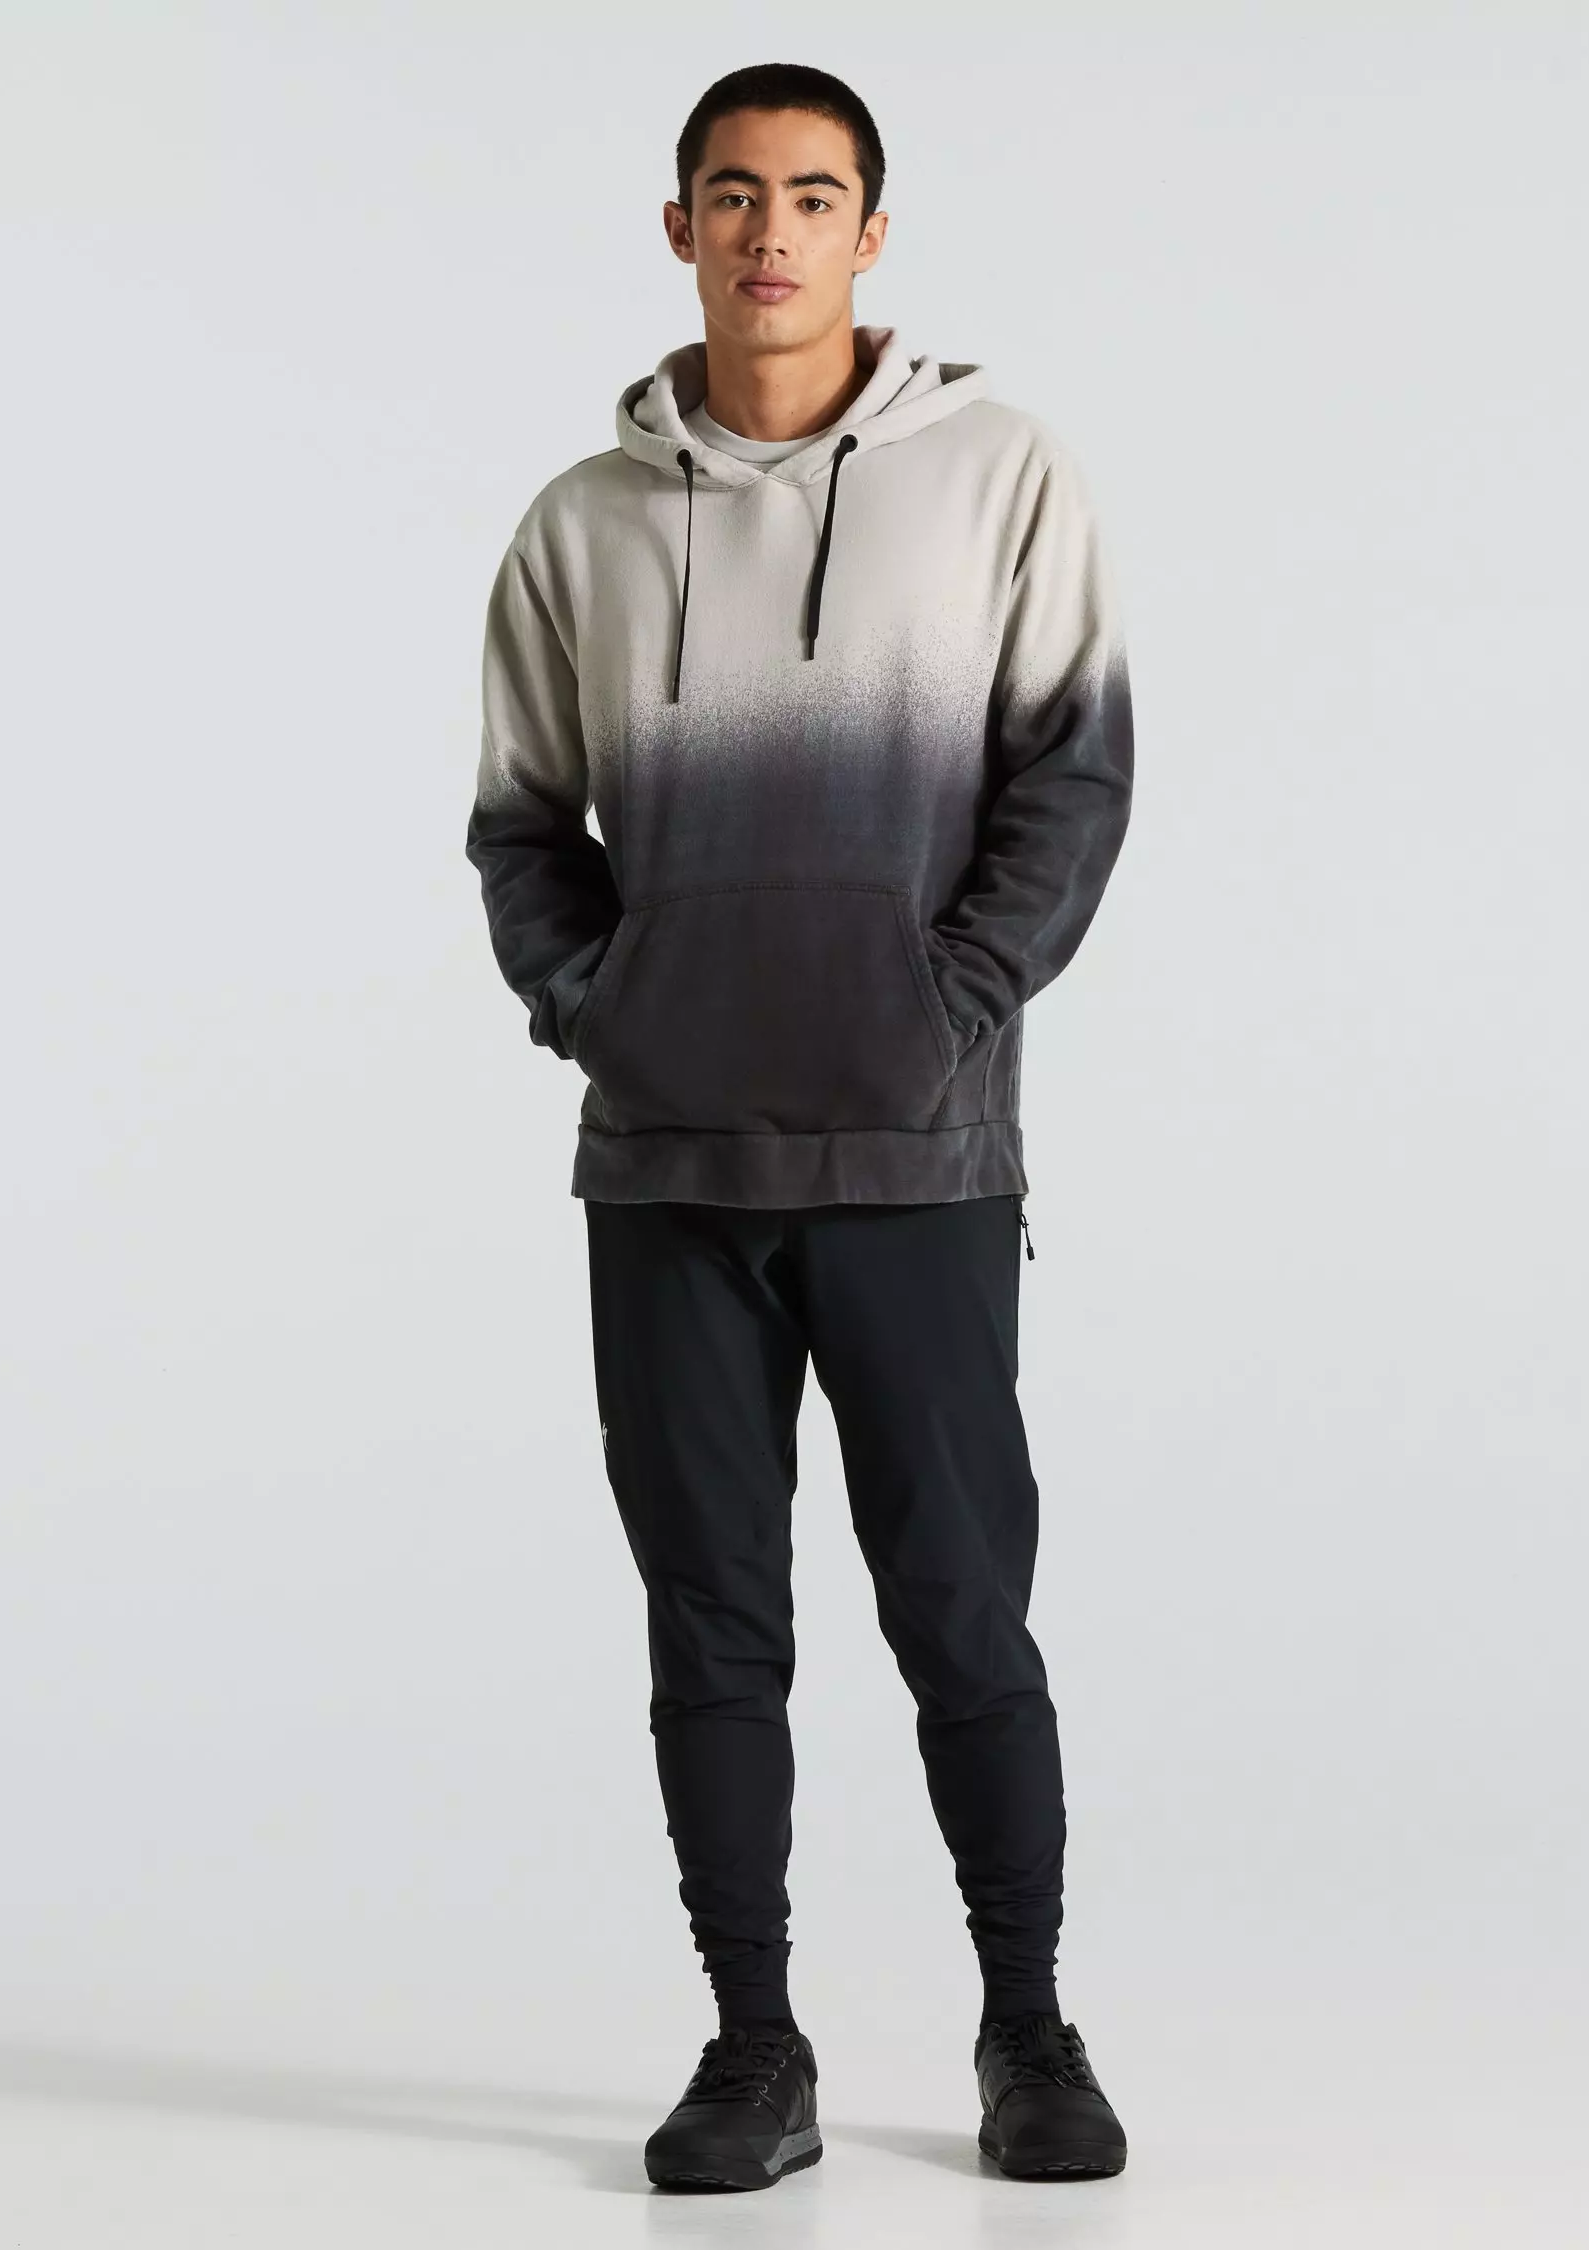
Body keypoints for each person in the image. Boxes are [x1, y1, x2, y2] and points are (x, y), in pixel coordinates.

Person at [461, 63, 1140, 2191]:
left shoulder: (996, 477)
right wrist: (604, 1011)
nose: (772, 232)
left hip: (917, 1162)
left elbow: (1074, 779)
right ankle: (752, 2044)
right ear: (680, 226)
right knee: (710, 1626)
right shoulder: (580, 527)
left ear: (871, 233)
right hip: (669, 1170)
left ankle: (1028, 2029)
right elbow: (518, 829)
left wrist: (943, 1007)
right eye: (735, 194)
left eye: (813, 195)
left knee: (961, 1611)